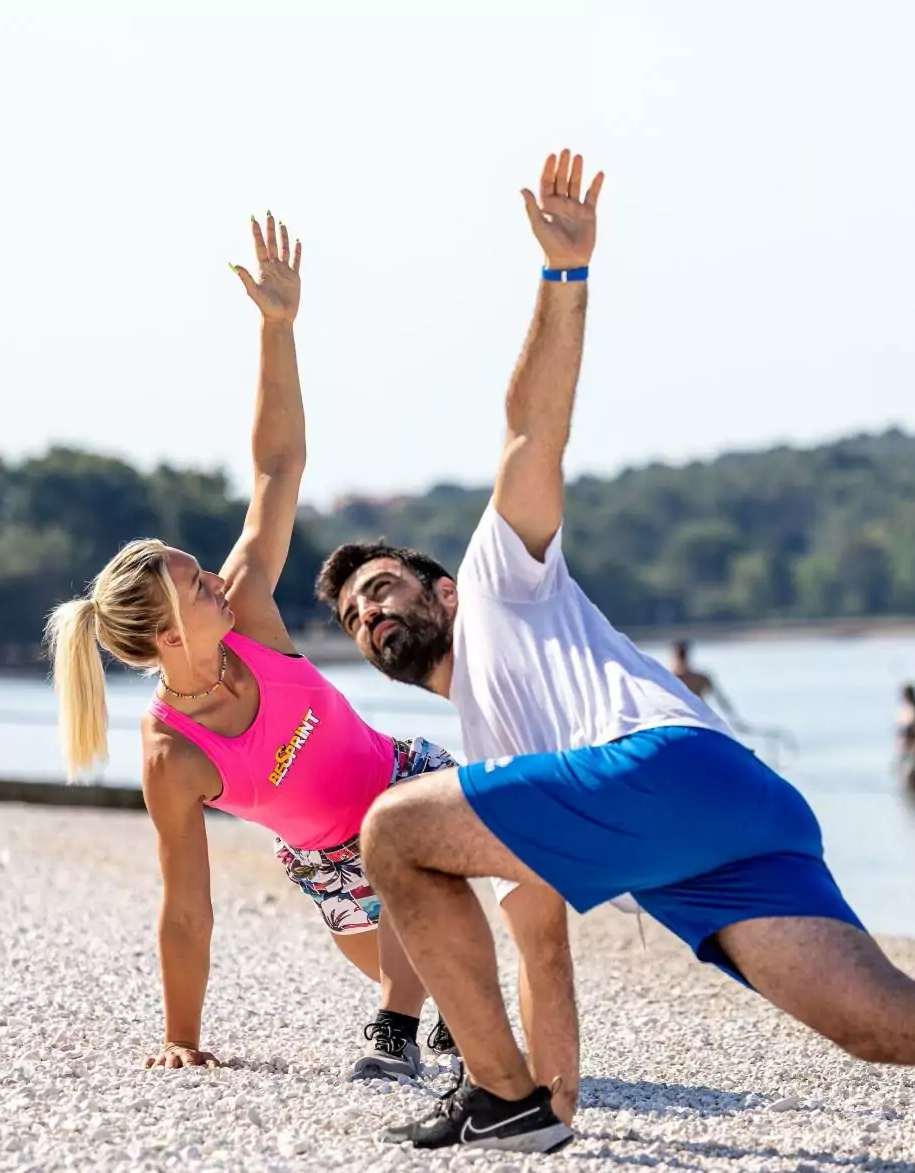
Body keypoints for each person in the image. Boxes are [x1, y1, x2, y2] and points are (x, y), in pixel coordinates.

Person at [325, 149, 915, 1173]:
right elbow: (541, 942)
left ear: (442, 593)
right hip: (722, 816)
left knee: (390, 825)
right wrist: (555, 1102)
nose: (370, 610)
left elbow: (530, 429)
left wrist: (563, 277)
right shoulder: (499, 760)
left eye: (381, 587)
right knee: (871, 1015)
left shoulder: (503, 578)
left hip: (665, 769)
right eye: (351, 612)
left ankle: (491, 1097)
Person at [44, 214, 578, 1099]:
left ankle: (398, 1028)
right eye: (195, 581)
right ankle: (428, 1014)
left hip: (407, 779)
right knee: (436, 970)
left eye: (201, 566)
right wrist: (183, 1037)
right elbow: (184, 905)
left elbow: (278, 467)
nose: (217, 576)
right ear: (170, 638)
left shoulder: (247, 610)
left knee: (432, 910)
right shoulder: (175, 755)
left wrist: (278, 329)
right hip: (329, 861)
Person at [668, 639, 749, 732]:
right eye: (679, 656)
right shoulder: (667, 678)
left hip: (698, 719)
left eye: (683, 656)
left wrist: (736, 722)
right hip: (676, 721)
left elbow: (722, 702)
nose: (681, 660)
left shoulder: (701, 678)